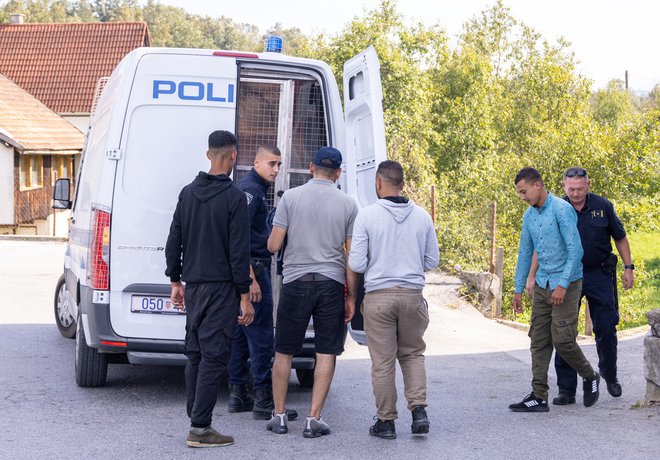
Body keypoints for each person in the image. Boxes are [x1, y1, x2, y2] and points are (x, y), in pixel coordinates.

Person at [165, 130, 255, 448]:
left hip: (194, 287)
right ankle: (200, 428)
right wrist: (244, 296)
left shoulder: (187, 193)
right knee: (215, 356)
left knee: (195, 354)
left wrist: (176, 281)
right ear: (232, 156)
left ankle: (196, 416)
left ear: (208, 154)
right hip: (221, 290)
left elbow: (173, 240)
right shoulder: (234, 199)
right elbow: (238, 252)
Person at [266, 146, 359, 438]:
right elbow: (351, 256)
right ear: (338, 172)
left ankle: (279, 415)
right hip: (331, 283)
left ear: (311, 168)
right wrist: (351, 297)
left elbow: (273, 246)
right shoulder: (348, 204)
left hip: (296, 282)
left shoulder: (291, 198)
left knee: (284, 351)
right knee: (325, 352)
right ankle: (313, 418)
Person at [527, 167, 634, 405]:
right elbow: (539, 245)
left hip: (599, 274)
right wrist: (531, 276)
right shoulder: (556, 208)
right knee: (563, 332)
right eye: (571, 188)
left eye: (580, 188)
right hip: (566, 277)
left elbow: (620, 237)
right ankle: (566, 389)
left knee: (606, 328)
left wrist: (629, 267)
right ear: (564, 186)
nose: (575, 193)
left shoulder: (602, 206)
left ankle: (610, 375)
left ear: (588, 185)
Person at [348, 160, 439, 440]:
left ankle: (386, 422)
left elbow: (357, 263)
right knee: (412, 354)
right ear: (402, 183)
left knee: (383, 362)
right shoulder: (423, 216)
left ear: (378, 183)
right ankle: (419, 411)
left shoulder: (367, 216)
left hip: (378, 297)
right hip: (412, 296)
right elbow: (432, 260)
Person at [509, 167, 600, 413]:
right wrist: (518, 289)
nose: (523, 197)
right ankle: (538, 395)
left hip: (567, 284)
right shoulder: (529, 216)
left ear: (537, 184)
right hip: (541, 284)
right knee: (538, 341)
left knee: (563, 341)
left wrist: (562, 285)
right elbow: (525, 253)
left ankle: (590, 375)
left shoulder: (562, 209)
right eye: (520, 193)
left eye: (524, 191)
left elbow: (575, 251)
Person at [227, 145, 298, 421]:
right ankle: (264, 400)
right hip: (252, 268)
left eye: (279, 164)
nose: (276, 170)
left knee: (241, 336)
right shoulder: (251, 191)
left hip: (249, 268)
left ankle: (237, 394)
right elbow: (238, 237)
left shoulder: (253, 189)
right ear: (256, 162)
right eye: (272, 164)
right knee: (261, 337)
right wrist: (251, 279)